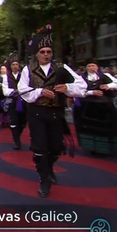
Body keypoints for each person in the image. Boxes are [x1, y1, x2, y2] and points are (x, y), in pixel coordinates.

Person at [17, 25, 86, 198]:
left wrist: (68, 87)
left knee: (56, 147)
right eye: (43, 52)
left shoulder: (61, 68)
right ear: (37, 53)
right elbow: (22, 90)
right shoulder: (28, 69)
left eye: (49, 51)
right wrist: (39, 91)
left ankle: (49, 168)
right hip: (37, 113)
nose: (46, 54)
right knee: (40, 147)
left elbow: (82, 85)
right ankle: (44, 179)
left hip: (56, 113)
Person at [72, 58, 117, 155]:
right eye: (89, 66)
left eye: (93, 65)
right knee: (91, 129)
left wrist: (108, 86)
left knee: (105, 128)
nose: (91, 68)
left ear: (97, 67)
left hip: (104, 107)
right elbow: (77, 91)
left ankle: (107, 148)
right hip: (88, 107)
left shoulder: (105, 76)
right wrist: (91, 92)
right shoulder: (81, 78)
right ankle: (93, 149)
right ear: (86, 68)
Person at [1, 53, 27, 149]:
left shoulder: (24, 76)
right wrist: (14, 91)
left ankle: (17, 136)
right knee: (14, 121)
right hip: (12, 101)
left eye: (16, 64)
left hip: (23, 101)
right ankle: (16, 141)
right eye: (13, 64)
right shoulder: (6, 77)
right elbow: (5, 90)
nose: (15, 66)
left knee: (23, 121)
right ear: (10, 66)